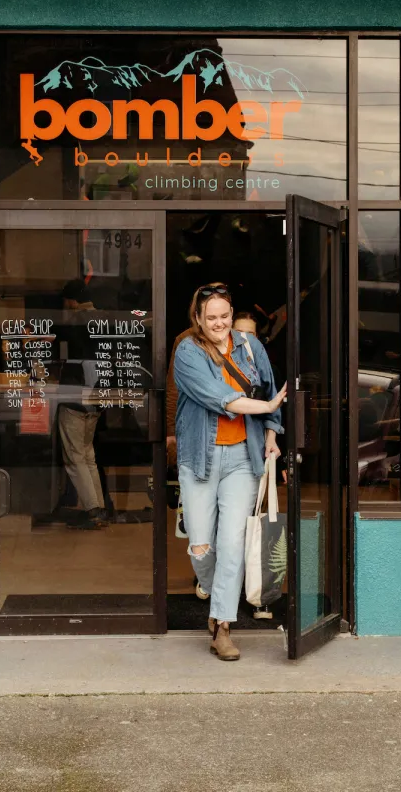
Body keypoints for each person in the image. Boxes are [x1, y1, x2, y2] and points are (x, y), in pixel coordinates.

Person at [174, 283, 287, 660]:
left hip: (243, 457)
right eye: (211, 318)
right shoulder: (187, 352)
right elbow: (220, 398)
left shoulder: (250, 346)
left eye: (224, 316)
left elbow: (270, 392)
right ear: (198, 319)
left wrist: (271, 431)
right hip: (200, 458)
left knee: (233, 542)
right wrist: (266, 404)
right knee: (202, 546)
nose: (219, 323)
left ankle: (222, 624)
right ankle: (216, 597)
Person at [56, 280, 108, 530]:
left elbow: (55, 347)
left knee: (75, 457)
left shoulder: (73, 321)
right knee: (88, 456)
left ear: (72, 301)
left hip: (75, 398)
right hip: (97, 398)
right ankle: (98, 506)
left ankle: (93, 510)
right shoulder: (104, 320)